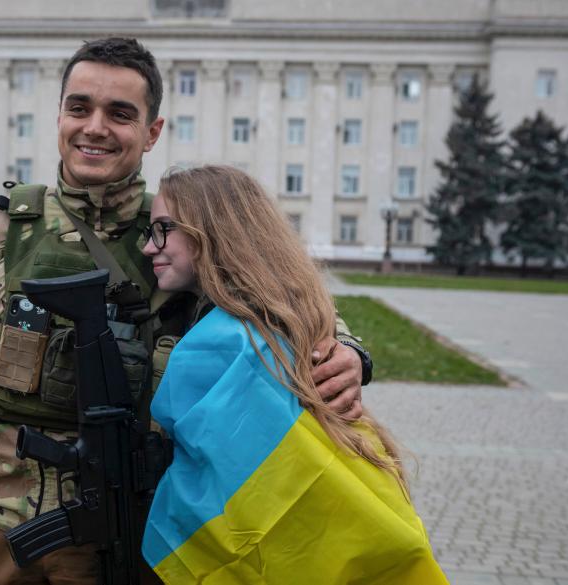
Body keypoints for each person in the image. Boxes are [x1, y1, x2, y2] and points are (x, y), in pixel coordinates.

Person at [0, 38, 370, 585]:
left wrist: (348, 353)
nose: (95, 127)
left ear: (151, 132)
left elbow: (286, 298)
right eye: (79, 108)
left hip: (135, 526)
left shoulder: (184, 232)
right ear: (59, 117)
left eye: (120, 114)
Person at [140, 165, 447, 584]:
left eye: (162, 229)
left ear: (211, 230)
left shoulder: (227, 342)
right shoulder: (286, 319)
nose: (147, 246)